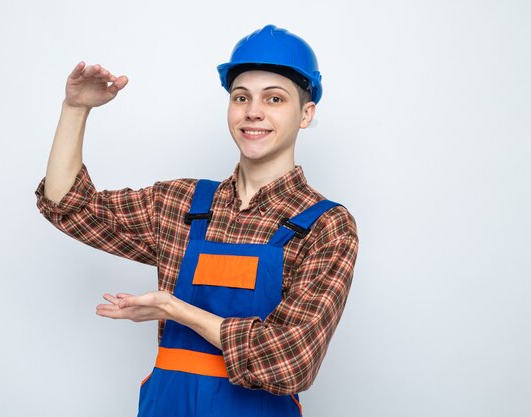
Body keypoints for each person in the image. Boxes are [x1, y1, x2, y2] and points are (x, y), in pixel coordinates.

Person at [36, 24, 358, 417]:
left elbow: (290, 360)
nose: (253, 111)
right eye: (242, 97)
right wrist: (75, 109)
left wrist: (177, 310)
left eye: (274, 99)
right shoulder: (180, 204)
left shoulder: (327, 226)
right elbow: (69, 206)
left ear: (306, 114)